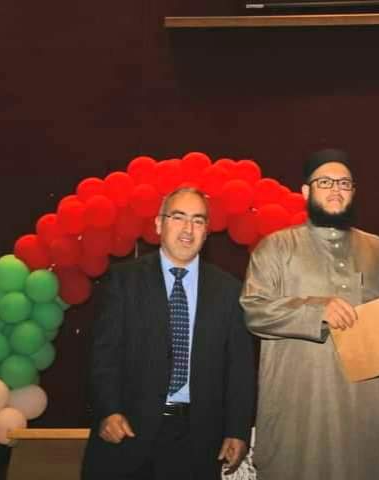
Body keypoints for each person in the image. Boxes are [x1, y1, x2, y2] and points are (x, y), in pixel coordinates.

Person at [240, 148, 379, 480]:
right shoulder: (276, 247)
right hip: (298, 406)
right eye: (325, 182)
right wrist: (316, 310)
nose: (336, 190)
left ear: (354, 192)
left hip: (366, 407)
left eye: (344, 183)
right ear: (306, 191)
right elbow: (254, 310)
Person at [82, 187, 256, 480]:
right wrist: (108, 410)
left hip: (198, 439)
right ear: (158, 224)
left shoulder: (229, 290)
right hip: (128, 430)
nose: (188, 229)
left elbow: (239, 367)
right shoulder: (123, 280)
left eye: (198, 220)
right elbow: (104, 354)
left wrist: (237, 429)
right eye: (178, 217)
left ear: (206, 232)